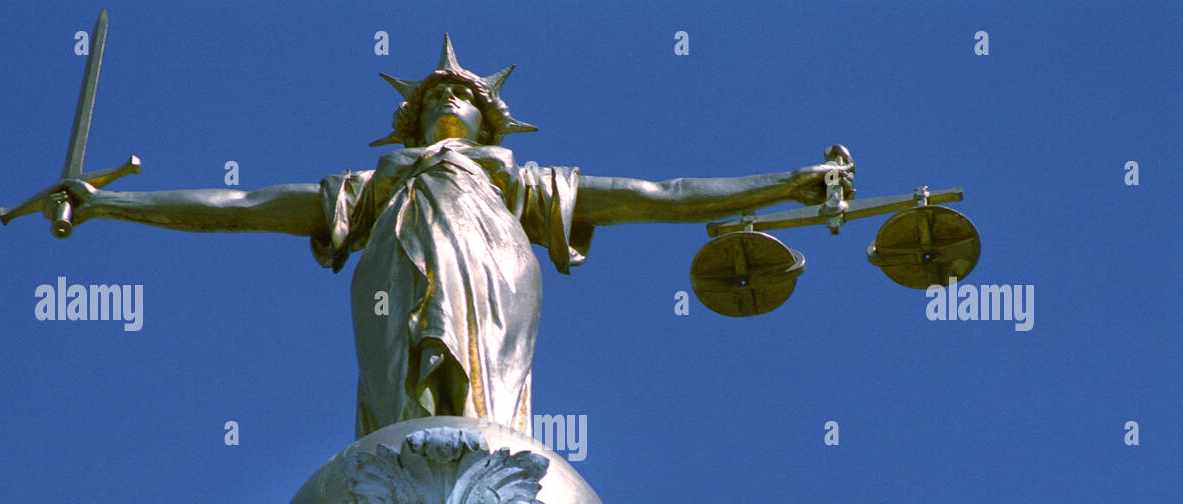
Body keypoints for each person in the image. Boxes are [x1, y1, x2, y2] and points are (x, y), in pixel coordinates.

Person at [55, 36, 852, 437]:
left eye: (462, 92)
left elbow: (662, 194)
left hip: (495, 273)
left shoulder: (514, 183)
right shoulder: (377, 186)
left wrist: (787, 182)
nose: (447, 93)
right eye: (435, 90)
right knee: (401, 404)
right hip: (392, 274)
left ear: (490, 119)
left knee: (487, 418)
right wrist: (113, 205)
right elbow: (242, 204)